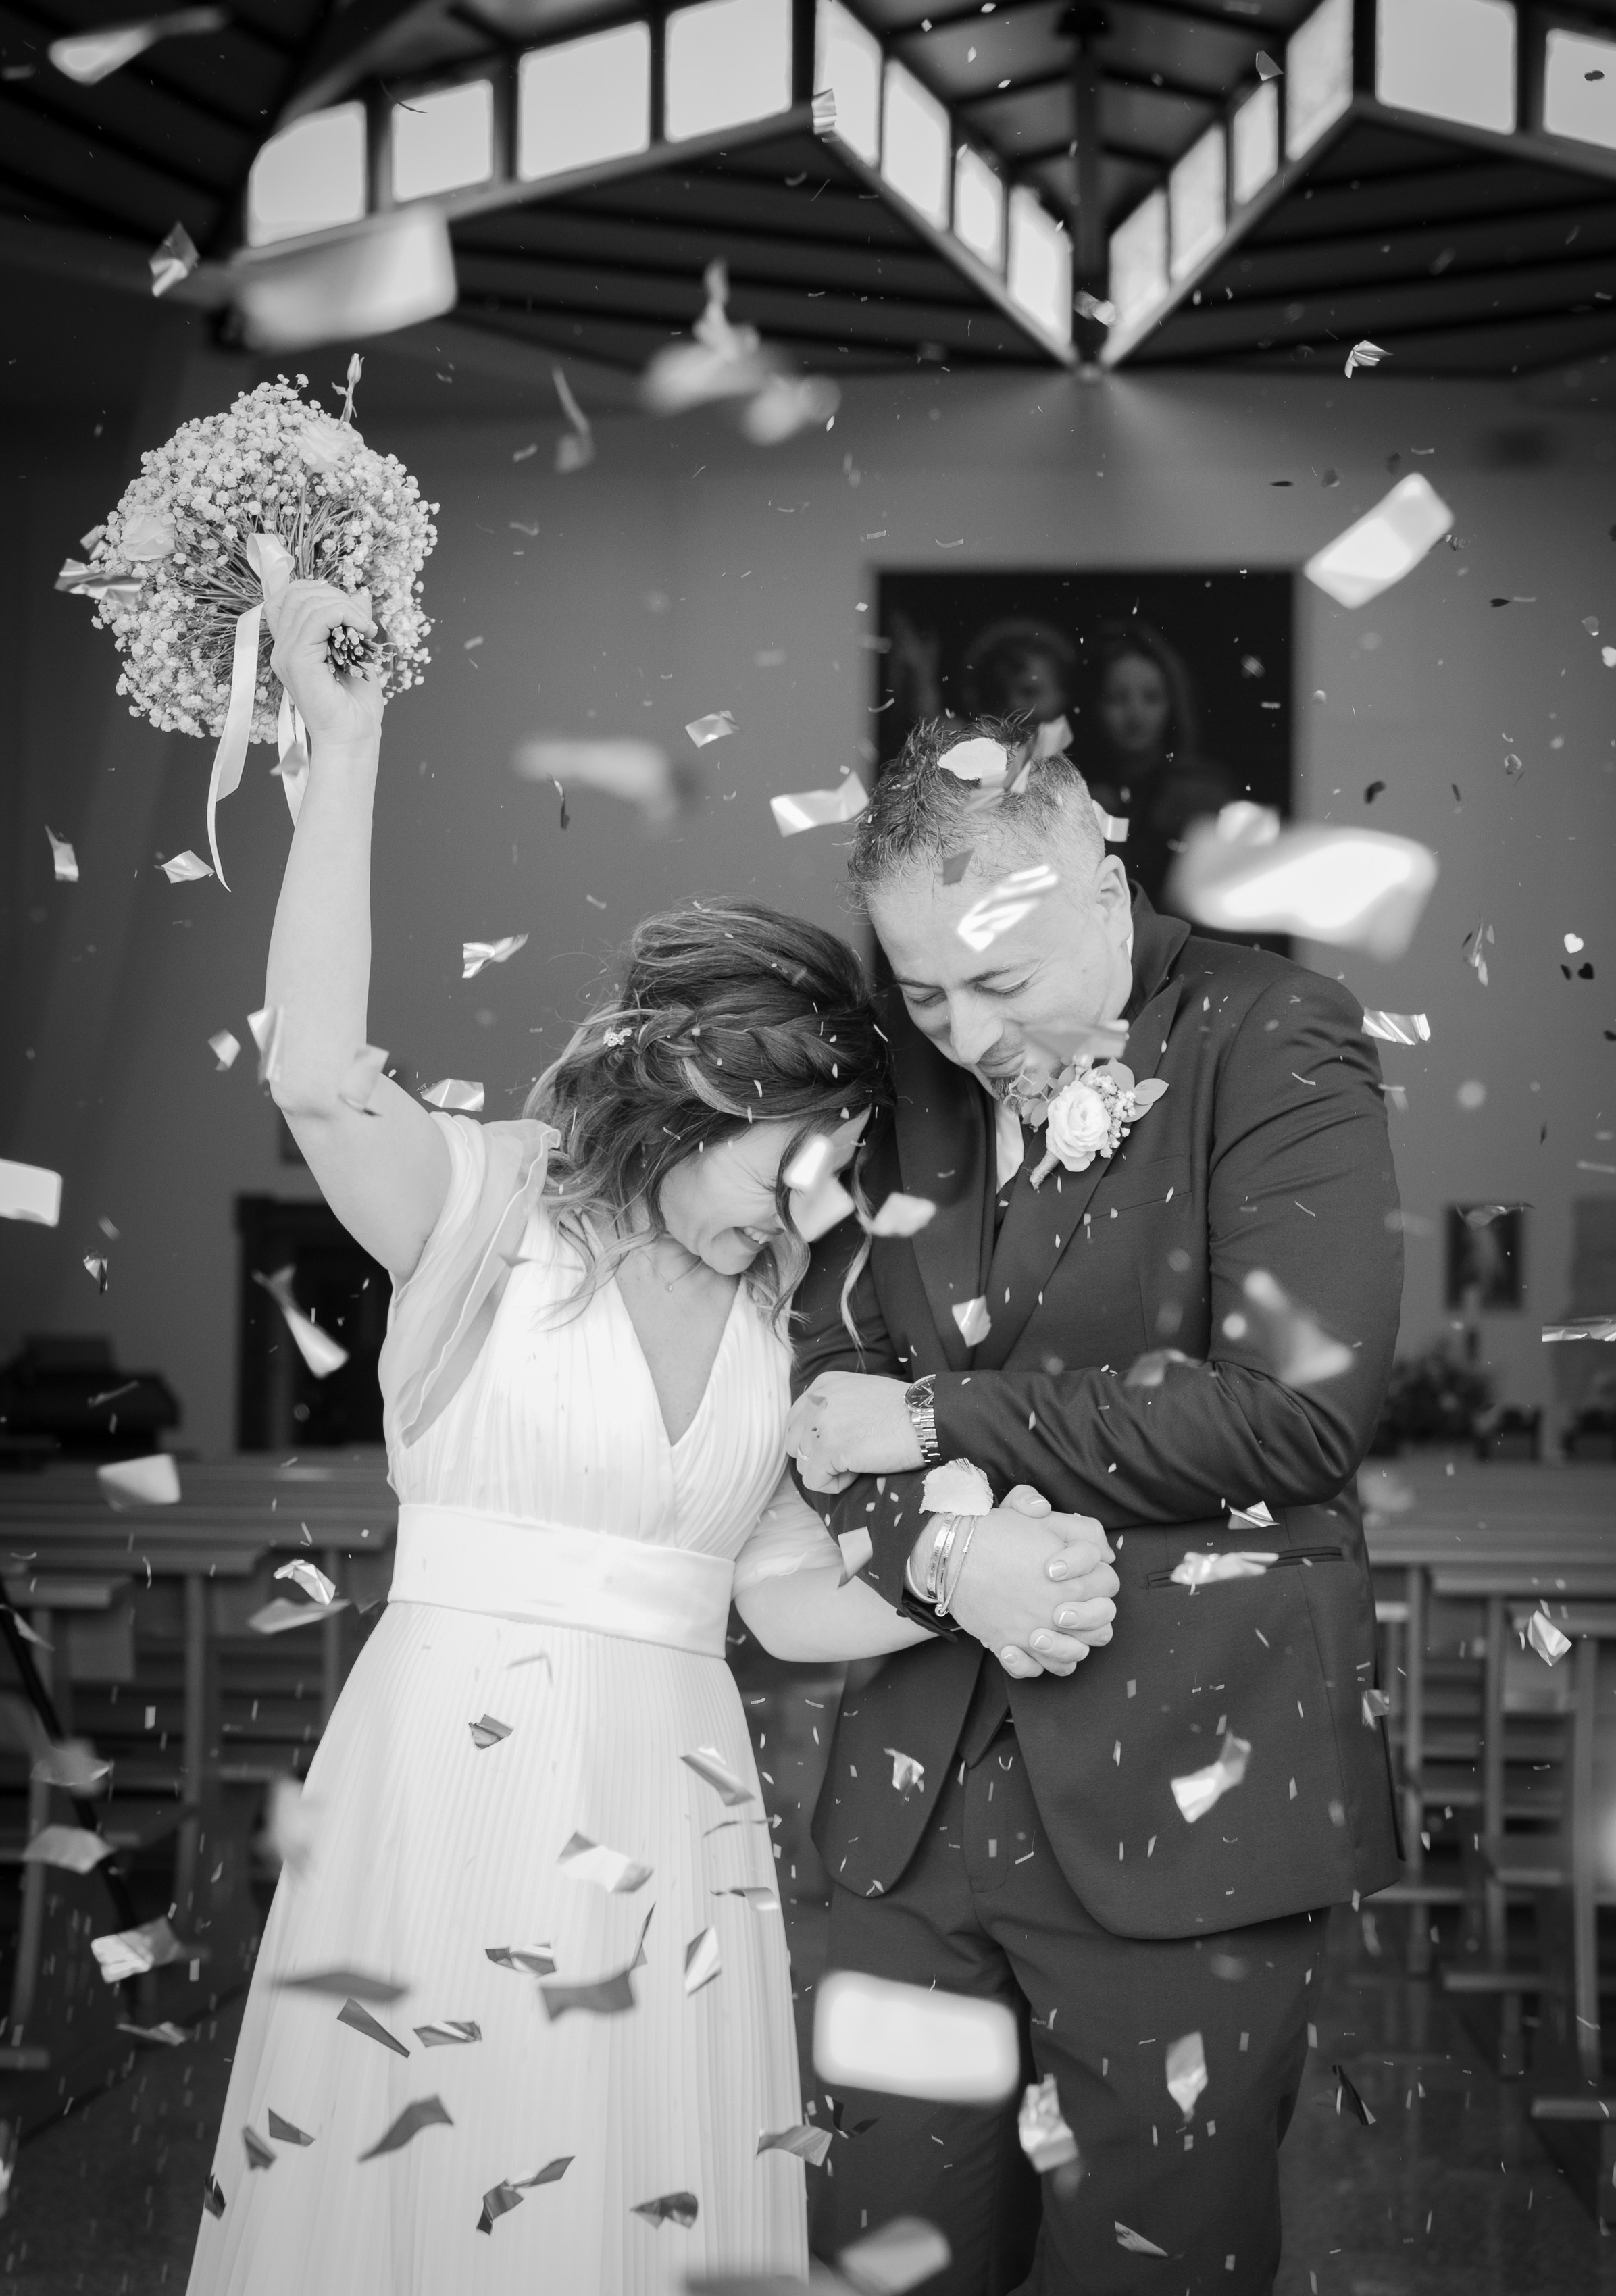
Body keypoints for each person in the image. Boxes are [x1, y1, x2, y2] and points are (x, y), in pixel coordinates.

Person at [186, 588, 1120, 2296]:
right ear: (703, 1082)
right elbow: (319, 1075)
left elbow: (780, 1601)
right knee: (435, 2176)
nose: (802, 1209)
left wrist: (970, 1578)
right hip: (452, 1792)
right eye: (791, 1161)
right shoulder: (480, 1207)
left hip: (668, 1823)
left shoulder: (776, 1320)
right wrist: (348, 741)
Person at [786, 715, 1405, 2295]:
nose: (959, 1026)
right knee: (882, 2264)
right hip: (909, 1814)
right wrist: (932, 1548)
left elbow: (1293, 1409)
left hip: (1183, 1795)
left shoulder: (1273, 1035)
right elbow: (824, 1379)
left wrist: (944, 1414)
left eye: (995, 979)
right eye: (923, 986)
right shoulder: (901, 1067)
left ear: (1096, 872)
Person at [1078, 623, 1234, 911]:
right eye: (1116, 698)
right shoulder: (1075, 793)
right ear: (1093, 706)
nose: (1135, 715)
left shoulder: (1200, 793)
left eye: (1151, 698)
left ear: (1173, 704)